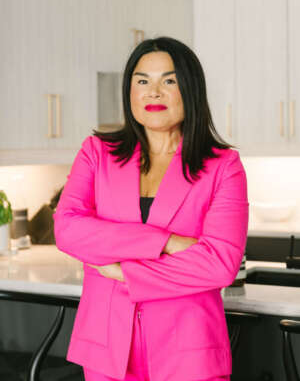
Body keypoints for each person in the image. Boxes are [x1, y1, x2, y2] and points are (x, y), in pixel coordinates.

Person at [53, 36, 249, 381]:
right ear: (129, 91)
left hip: (189, 352)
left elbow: (219, 265)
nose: (153, 92)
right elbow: (68, 229)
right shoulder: (97, 153)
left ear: (190, 90)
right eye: (142, 81)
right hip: (105, 349)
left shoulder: (223, 166)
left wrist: (125, 271)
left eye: (168, 81)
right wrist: (166, 242)